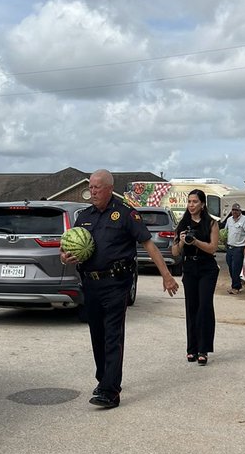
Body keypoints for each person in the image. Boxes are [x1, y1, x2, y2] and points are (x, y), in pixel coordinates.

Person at [64, 169, 178, 408]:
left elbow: (148, 244)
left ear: (109, 188)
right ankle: (103, 379)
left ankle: (111, 391)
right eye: (90, 188)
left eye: (97, 187)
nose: (92, 192)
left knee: (112, 335)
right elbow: (66, 247)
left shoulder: (125, 214)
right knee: (97, 334)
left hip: (116, 283)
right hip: (90, 283)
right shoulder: (84, 216)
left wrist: (166, 275)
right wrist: (64, 257)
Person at [171, 190, 220, 364]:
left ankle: (203, 349)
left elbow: (213, 248)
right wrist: (182, 241)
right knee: (191, 307)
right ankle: (191, 348)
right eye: (189, 202)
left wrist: (196, 242)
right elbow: (174, 252)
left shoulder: (211, 223)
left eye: (195, 202)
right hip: (190, 267)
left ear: (202, 204)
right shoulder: (183, 224)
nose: (191, 205)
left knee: (204, 306)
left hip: (207, 268)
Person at [219, 203, 245, 293]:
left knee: (235, 268)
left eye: (236, 210)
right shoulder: (229, 220)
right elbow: (225, 231)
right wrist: (223, 239)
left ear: (240, 211)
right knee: (230, 267)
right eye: (233, 210)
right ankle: (238, 285)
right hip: (229, 247)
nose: (234, 212)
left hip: (239, 248)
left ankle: (235, 287)